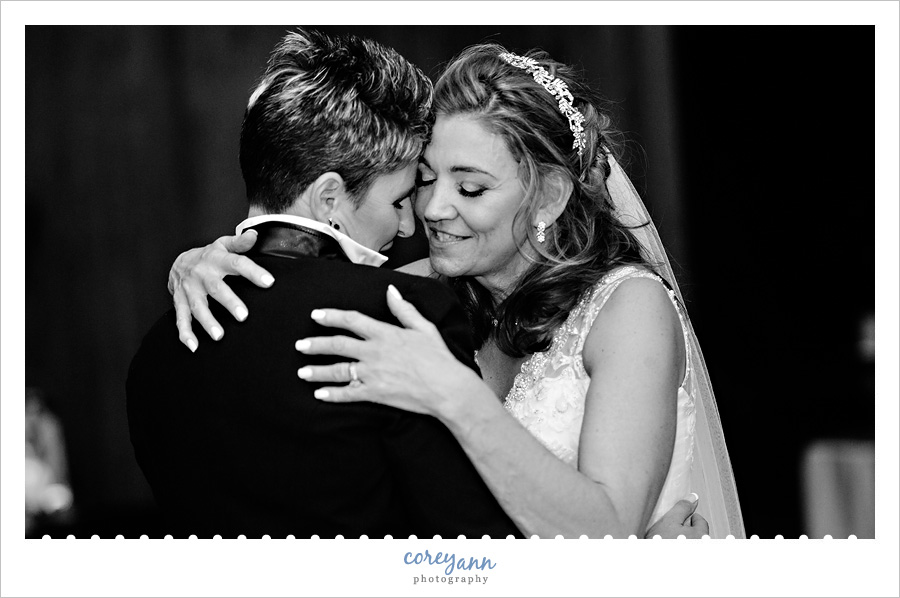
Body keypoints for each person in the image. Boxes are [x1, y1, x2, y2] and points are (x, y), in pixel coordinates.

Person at [168, 39, 733, 538]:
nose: (435, 209)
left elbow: (607, 532)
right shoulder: (407, 293)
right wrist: (201, 262)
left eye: (470, 187)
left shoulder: (627, 307)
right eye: (427, 179)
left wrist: (453, 396)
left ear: (551, 196)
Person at [126, 29, 522, 539]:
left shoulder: (155, 355)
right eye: (400, 201)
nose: (408, 227)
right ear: (329, 199)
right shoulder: (402, 313)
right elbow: (473, 542)